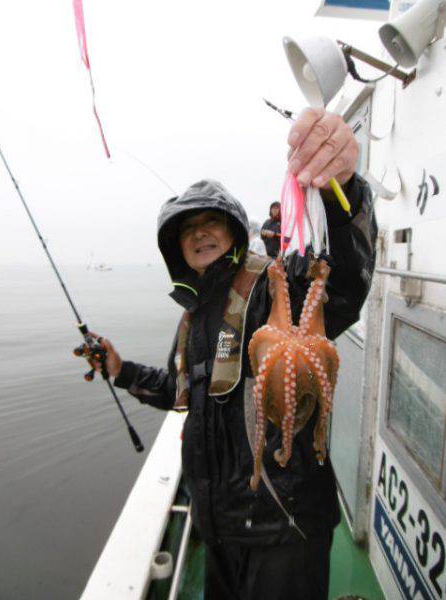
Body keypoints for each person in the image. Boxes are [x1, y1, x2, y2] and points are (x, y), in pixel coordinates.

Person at [89, 107, 377, 600]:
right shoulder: (192, 319)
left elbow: (341, 285)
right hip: (219, 529)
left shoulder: (268, 287)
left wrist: (343, 191)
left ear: (233, 233)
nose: (200, 233)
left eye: (212, 223)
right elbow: (181, 390)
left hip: (283, 532)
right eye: (188, 228)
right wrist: (119, 371)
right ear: (175, 247)